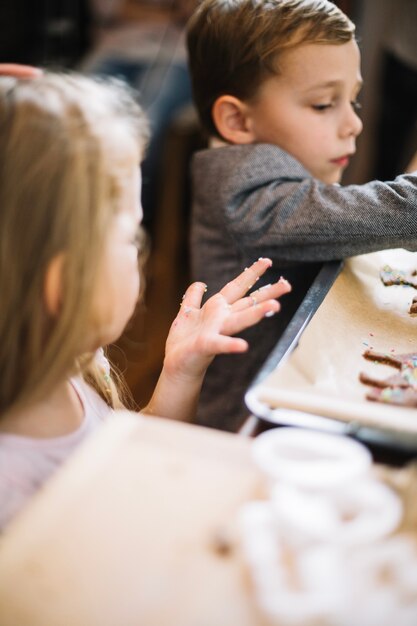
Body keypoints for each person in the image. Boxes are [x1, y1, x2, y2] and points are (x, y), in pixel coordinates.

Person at [0, 72, 291, 531]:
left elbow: (122, 466)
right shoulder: (13, 498)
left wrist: (180, 373)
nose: (141, 249)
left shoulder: (66, 369)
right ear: (62, 286)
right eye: (130, 233)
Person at [185, 0, 417, 433]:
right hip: (249, 424)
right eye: (324, 104)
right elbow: (371, 214)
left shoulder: (270, 167)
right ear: (237, 119)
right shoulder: (244, 193)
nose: (354, 125)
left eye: (354, 101)